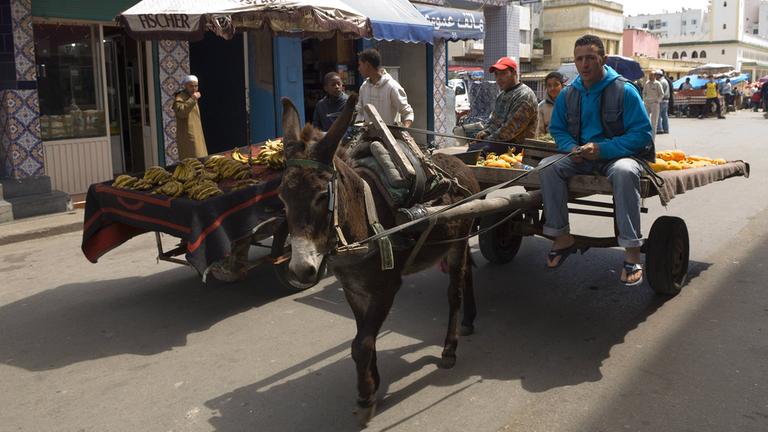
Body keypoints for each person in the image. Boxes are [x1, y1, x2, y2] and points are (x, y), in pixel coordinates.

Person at [540, 34, 654, 286]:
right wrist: (572, 148)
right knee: (546, 167)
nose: (585, 64)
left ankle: (632, 251)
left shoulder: (625, 90)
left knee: (625, 172)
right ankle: (561, 237)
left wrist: (602, 149)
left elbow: (642, 135)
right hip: (581, 156)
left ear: (603, 59)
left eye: (590, 58)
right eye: (579, 59)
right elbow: (558, 129)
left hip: (620, 156)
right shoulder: (569, 93)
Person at [468, 56, 538, 154]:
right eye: (496, 74)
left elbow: (510, 130)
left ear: (514, 73)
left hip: (519, 147)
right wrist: (485, 132)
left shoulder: (525, 95)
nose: (499, 78)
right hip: (501, 142)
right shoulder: (502, 95)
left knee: (476, 151)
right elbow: (494, 121)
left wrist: (487, 140)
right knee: (473, 147)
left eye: (503, 73)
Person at [355, 48, 414, 127]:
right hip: (368, 134)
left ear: (367, 65)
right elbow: (360, 111)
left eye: (360, 65)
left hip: (389, 134)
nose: (359, 69)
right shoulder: (364, 87)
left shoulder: (392, 87)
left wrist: (404, 129)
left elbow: (408, 113)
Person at [173, 75, 208, 159]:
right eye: (191, 86)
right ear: (185, 86)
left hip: (197, 134)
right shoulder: (180, 98)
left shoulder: (191, 97)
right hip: (188, 137)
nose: (194, 88)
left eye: (196, 86)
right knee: (194, 160)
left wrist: (193, 99)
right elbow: (181, 113)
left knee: (202, 158)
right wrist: (192, 99)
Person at [536, 71, 566, 137]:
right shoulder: (541, 107)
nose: (552, 88)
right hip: (548, 141)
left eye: (556, 85)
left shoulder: (571, 103)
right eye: (549, 85)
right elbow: (540, 131)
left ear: (562, 86)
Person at [642, 71, 664, 139]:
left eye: (651, 75)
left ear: (654, 76)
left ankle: (653, 139)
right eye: (649, 75)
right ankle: (646, 138)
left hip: (654, 104)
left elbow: (661, 94)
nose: (650, 76)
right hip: (647, 103)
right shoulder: (647, 83)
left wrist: (657, 101)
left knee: (654, 122)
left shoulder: (657, 84)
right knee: (646, 120)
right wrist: (644, 100)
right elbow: (644, 93)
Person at [656, 70, 670, 134]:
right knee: (664, 115)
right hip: (666, 100)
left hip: (661, 100)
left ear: (659, 75)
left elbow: (659, 92)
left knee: (658, 115)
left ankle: (659, 129)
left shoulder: (661, 82)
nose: (655, 76)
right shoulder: (665, 81)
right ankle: (666, 129)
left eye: (656, 75)